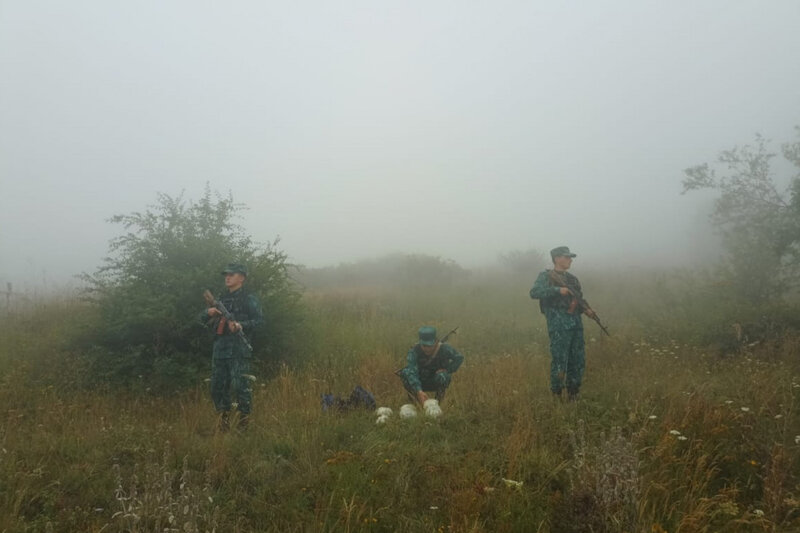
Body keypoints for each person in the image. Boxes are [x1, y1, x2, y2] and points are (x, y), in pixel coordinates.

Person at [529, 246, 597, 401]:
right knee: (560, 360)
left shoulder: (573, 279)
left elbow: (578, 299)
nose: (570, 260)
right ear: (557, 258)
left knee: (577, 360)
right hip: (559, 326)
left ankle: (573, 392)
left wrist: (587, 310)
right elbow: (534, 292)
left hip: (575, 325)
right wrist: (557, 290)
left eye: (570, 257)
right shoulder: (546, 276)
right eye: (566, 257)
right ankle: (557, 394)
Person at [201, 263, 263, 431]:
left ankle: (244, 423)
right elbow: (201, 319)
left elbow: (259, 321)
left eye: (232, 274)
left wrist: (241, 325)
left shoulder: (248, 298)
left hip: (238, 350)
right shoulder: (221, 298)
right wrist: (209, 313)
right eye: (226, 275)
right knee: (217, 387)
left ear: (242, 278)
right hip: (220, 350)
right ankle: (224, 422)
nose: (227, 277)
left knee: (241, 386)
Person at [397, 326, 464, 404]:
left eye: (430, 346)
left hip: (435, 380)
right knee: (406, 373)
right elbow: (411, 370)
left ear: (435, 342)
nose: (427, 349)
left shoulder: (444, 348)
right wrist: (419, 390)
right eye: (424, 346)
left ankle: (439, 402)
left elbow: (459, 358)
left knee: (443, 376)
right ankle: (416, 402)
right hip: (420, 380)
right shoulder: (414, 351)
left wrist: (448, 369)